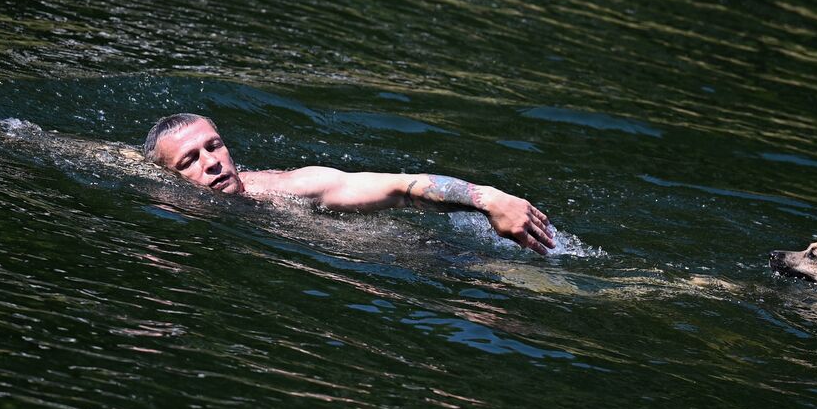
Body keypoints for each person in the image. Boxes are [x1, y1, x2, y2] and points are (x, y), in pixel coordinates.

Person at [143, 113, 556, 253]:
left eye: (214, 146)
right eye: (190, 161)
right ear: (169, 178)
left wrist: (487, 198)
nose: (212, 163)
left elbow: (401, 186)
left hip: (428, 259)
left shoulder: (294, 186)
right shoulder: (166, 204)